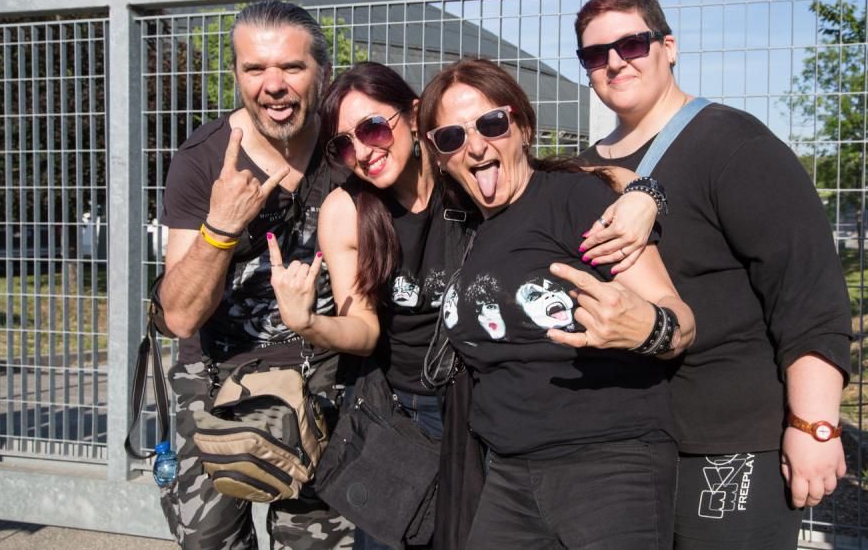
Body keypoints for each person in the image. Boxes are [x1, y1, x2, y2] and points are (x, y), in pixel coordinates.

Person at [269, 60, 661, 550]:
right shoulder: (347, 210)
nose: (364, 152)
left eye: (372, 128)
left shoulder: (466, 168)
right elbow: (363, 329)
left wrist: (645, 196)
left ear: (414, 117)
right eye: (344, 145)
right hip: (405, 408)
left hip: (482, 399)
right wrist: (309, 323)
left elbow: (585, 176)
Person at [573, 0, 854, 550]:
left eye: (632, 44)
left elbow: (807, 293)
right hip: (621, 447)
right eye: (595, 54)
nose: (615, 62)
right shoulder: (583, 170)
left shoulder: (733, 144)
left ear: (668, 46)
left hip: (726, 440)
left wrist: (814, 425)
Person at [417, 57, 696, 549]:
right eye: (452, 137)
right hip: (507, 471)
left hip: (608, 463)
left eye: (491, 123)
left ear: (523, 127)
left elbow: (679, 319)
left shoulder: (574, 199)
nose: (475, 146)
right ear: (439, 155)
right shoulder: (463, 226)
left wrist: (646, 329)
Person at [156, 0, 360, 550]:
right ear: (237, 75)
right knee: (209, 541)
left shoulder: (352, 152)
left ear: (322, 71)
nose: (273, 85)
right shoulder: (202, 159)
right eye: (255, 68)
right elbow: (179, 316)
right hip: (217, 381)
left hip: (327, 380)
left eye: (292, 67)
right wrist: (221, 226)